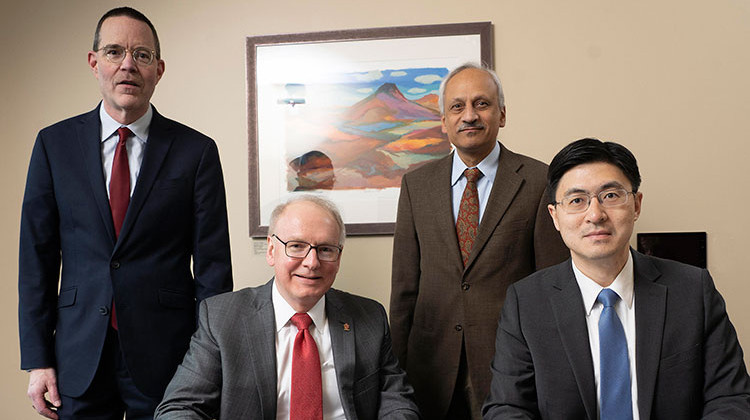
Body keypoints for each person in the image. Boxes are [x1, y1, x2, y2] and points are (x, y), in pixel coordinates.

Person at [19, 7, 233, 419]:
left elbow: (213, 271)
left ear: (159, 69)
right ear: (94, 61)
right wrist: (38, 359)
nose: (128, 65)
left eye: (142, 55)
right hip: (77, 356)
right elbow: (36, 261)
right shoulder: (53, 145)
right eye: (115, 52)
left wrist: (210, 361)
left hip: (170, 357)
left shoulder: (196, 152)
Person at [483, 138, 750, 418]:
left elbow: (731, 398)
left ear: (636, 205)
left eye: (610, 196)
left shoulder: (692, 290)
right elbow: (507, 407)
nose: (595, 215)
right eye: (577, 201)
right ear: (555, 217)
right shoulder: (526, 303)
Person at [389, 63, 569, 419]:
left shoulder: (538, 180)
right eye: (457, 106)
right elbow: (404, 288)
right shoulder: (416, 185)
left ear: (502, 115)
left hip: (512, 365)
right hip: (431, 364)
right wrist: (396, 371)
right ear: (444, 121)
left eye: (481, 104)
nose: (469, 115)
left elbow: (553, 287)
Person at [155, 196, 420, 419]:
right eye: (296, 246)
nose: (312, 262)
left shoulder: (369, 317)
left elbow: (396, 401)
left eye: (326, 249)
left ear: (339, 257)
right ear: (271, 250)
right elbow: (180, 408)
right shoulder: (223, 318)